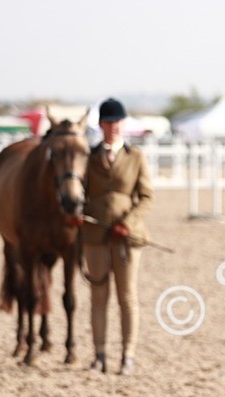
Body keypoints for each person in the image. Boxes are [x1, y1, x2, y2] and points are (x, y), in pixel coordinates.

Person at [83, 97, 154, 375]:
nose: (112, 127)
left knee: (127, 296)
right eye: (107, 122)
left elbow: (147, 196)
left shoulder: (136, 157)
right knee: (98, 296)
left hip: (127, 237)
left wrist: (129, 221)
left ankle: (128, 355)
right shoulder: (89, 158)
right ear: (101, 125)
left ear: (122, 124)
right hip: (95, 234)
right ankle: (99, 354)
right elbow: (81, 192)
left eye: (116, 122)